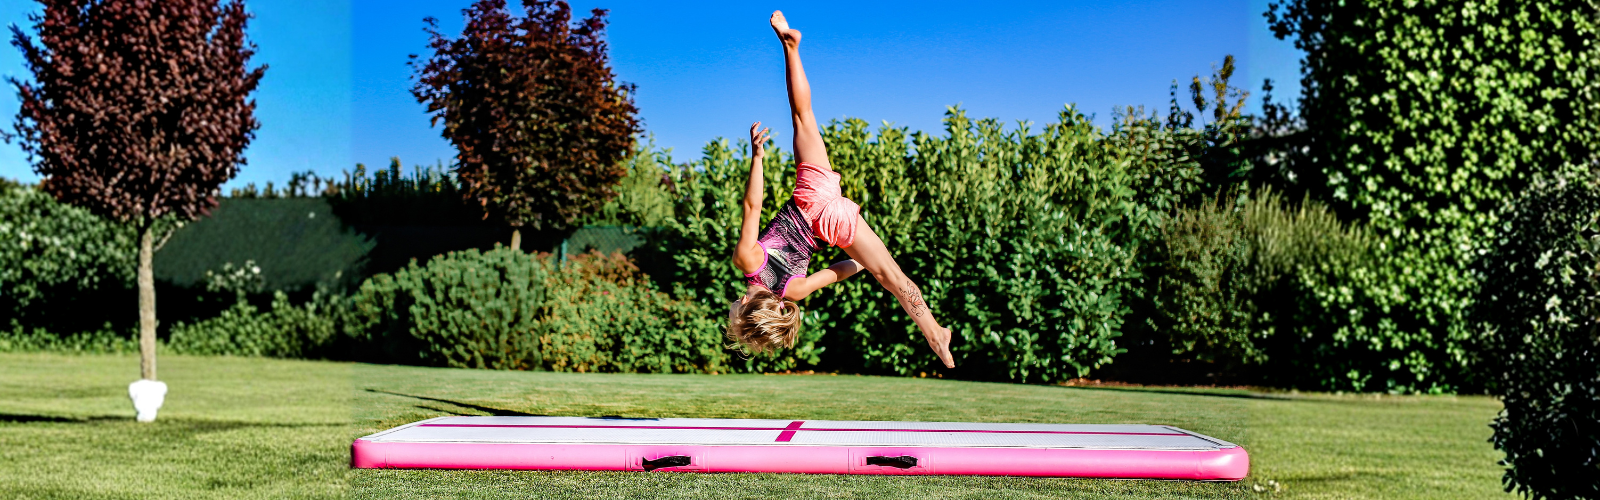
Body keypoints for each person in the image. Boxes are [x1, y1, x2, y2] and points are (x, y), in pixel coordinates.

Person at [725, 11, 955, 369]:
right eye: (734, 320)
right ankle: (790, 46)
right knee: (802, 115)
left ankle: (935, 334)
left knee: (891, 276)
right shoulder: (747, 260)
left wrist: (867, 259)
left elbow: (842, 269)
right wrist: (757, 157)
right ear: (745, 307)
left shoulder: (794, 292)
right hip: (812, 194)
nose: (729, 316)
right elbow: (751, 206)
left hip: (833, 224)